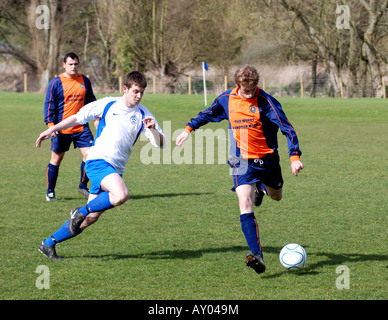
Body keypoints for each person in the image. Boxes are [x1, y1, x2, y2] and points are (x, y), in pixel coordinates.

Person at [176, 65, 303, 274]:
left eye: (253, 89)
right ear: (237, 85)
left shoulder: (267, 102)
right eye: (246, 90)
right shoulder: (227, 99)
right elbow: (208, 113)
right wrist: (188, 129)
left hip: (267, 159)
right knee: (244, 202)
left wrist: (294, 157)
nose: (250, 93)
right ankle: (258, 257)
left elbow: (287, 128)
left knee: (276, 196)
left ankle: (261, 188)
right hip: (240, 160)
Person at [36, 71, 166, 260]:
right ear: (125, 89)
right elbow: (78, 117)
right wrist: (52, 129)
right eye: (135, 91)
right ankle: (79, 211)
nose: (139, 96)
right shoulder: (108, 104)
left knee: (90, 219)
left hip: (114, 170)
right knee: (121, 195)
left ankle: (48, 243)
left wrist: (153, 130)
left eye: (142, 93)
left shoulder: (143, 114)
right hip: (97, 161)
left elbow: (161, 143)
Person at [43, 52, 96, 201]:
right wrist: (51, 125)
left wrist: (98, 117)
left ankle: (82, 186)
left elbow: (92, 102)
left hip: (81, 128)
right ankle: (50, 191)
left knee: (90, 155)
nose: (73, 67)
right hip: (61, 129)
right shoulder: (56, 82)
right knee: (56, 159)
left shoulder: (85, 81)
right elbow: (49, 105)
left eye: (76, 64)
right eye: (70, 64)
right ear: (64, 65)